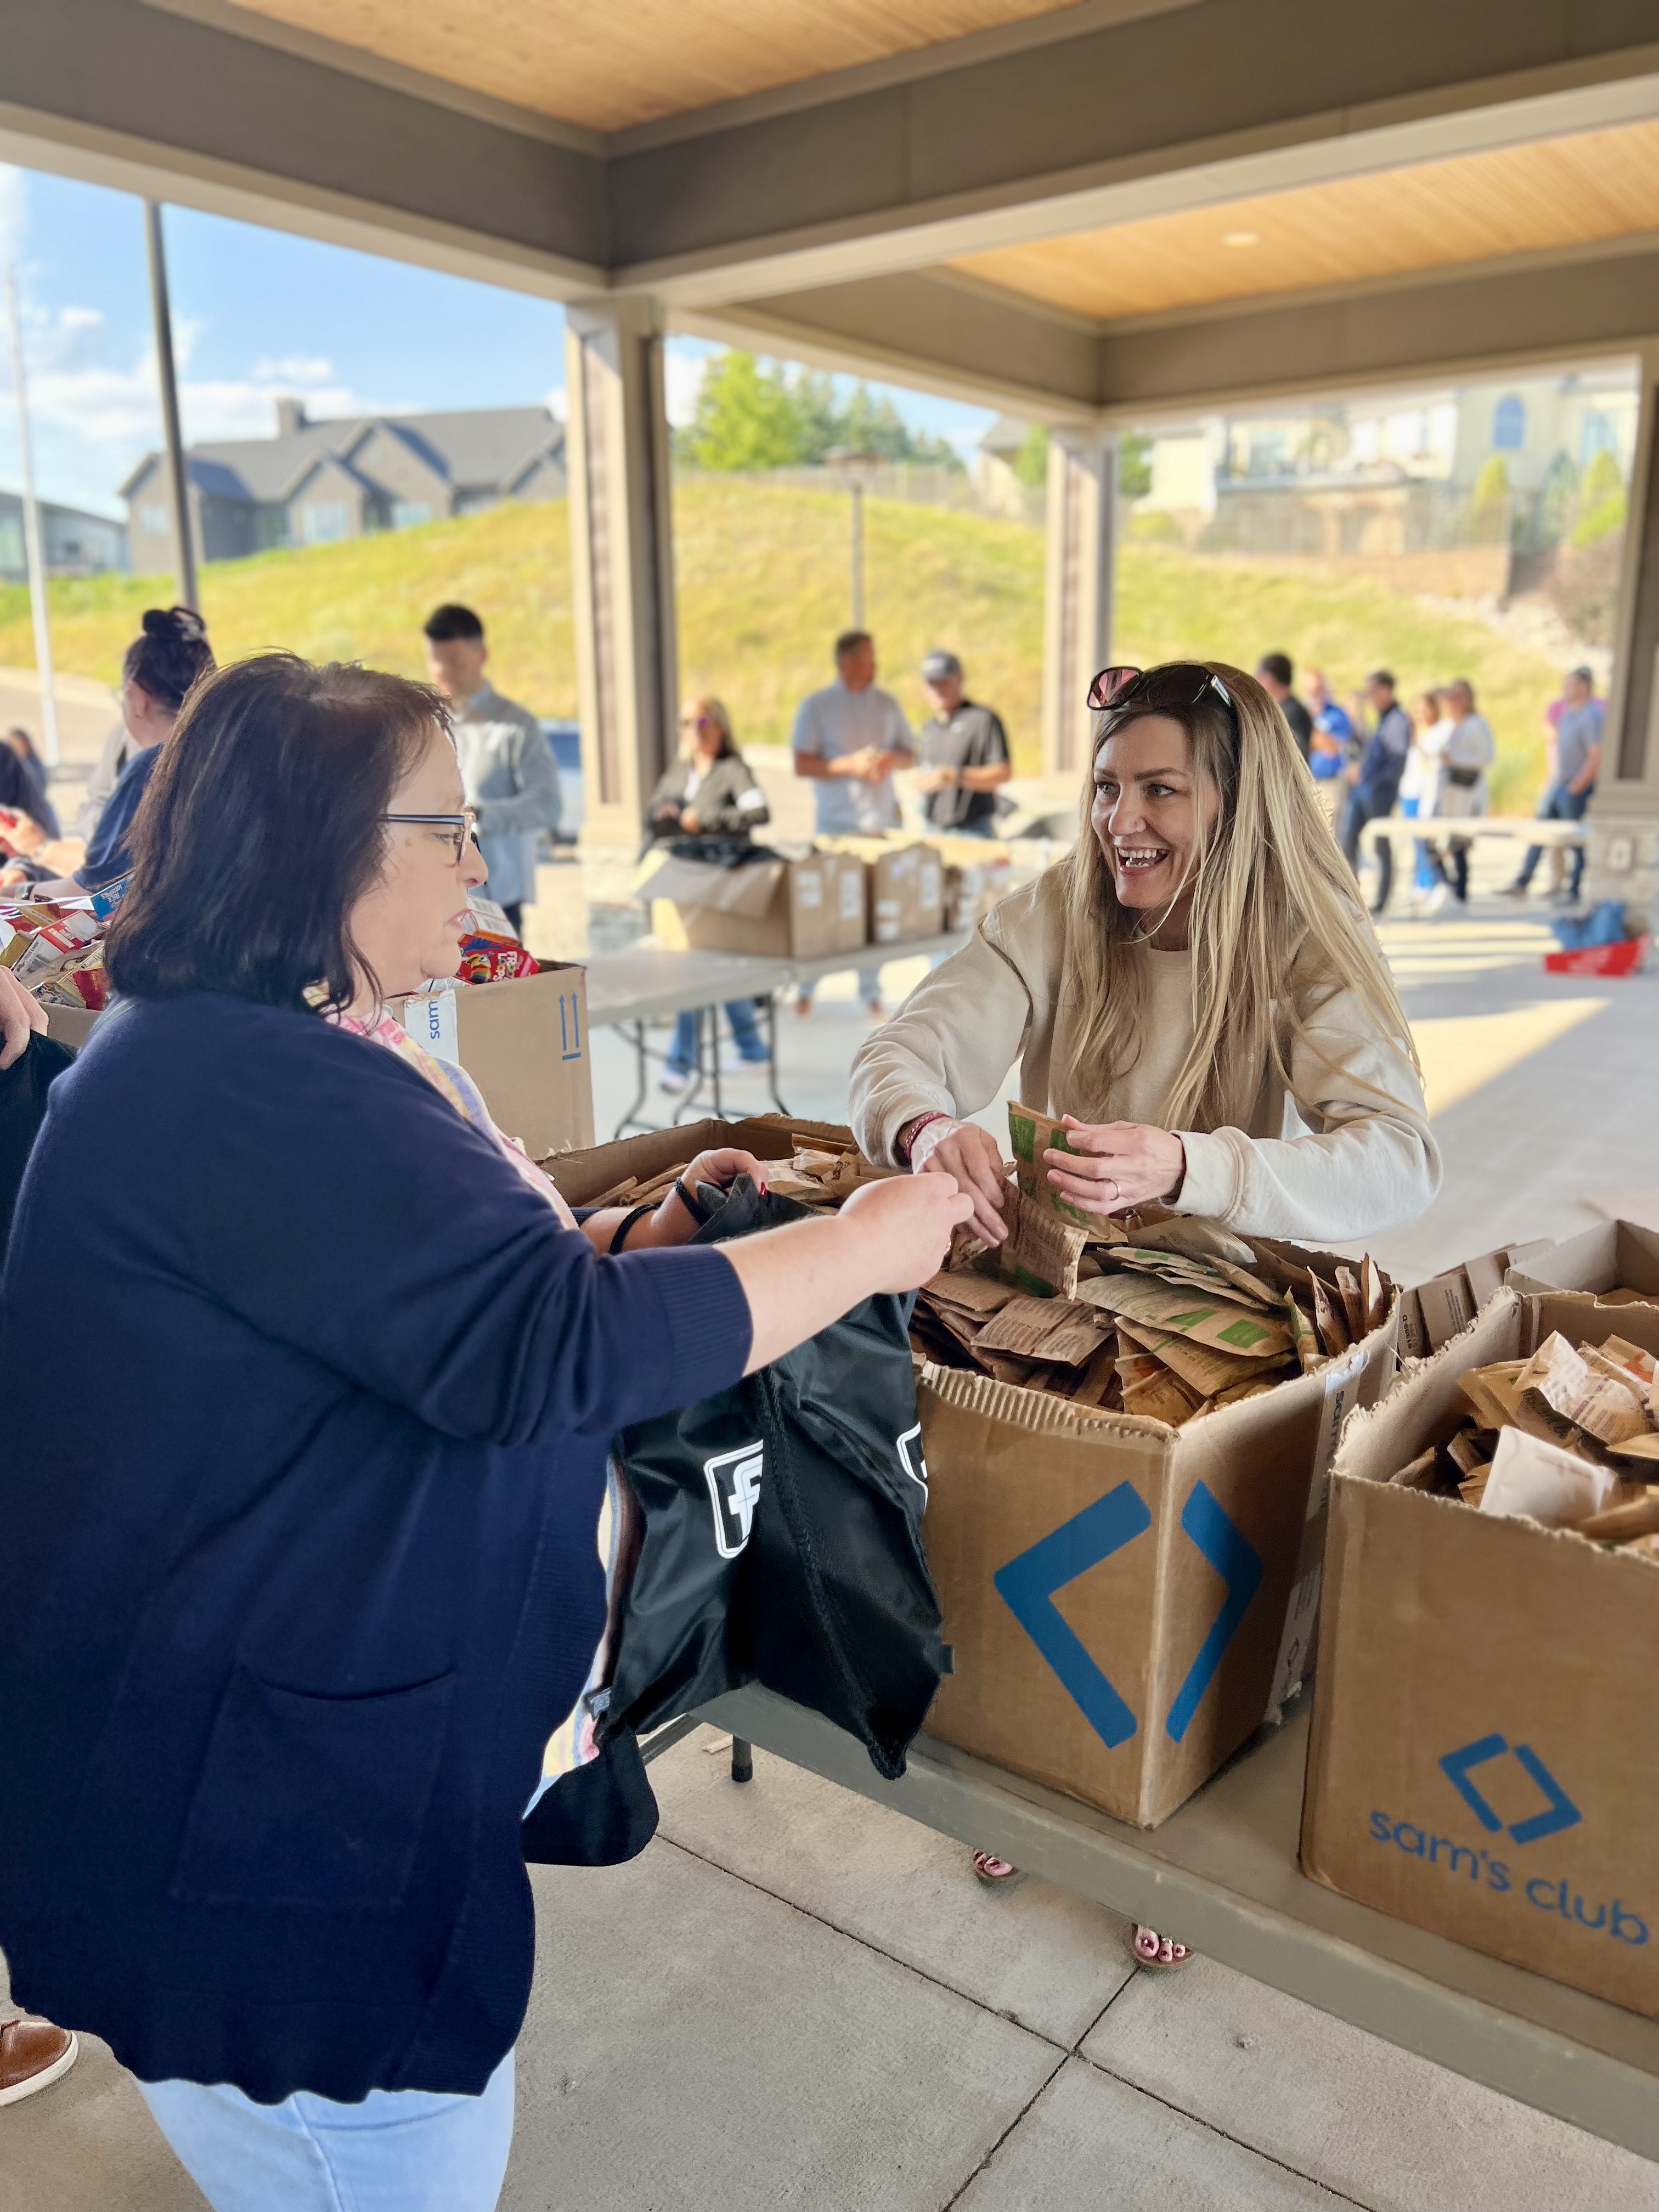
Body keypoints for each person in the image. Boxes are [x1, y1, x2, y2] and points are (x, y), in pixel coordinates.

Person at [0, 651, 972, 2212]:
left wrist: (650, 1231)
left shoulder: (255, 1047)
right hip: (267, 1855)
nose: (478, 867)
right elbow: (552, 1346)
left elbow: (447, 1301)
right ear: (325, 845)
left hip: (287, 1781)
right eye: (446, 830)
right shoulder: (255, 1088)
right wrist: (866, 1243)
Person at [849, 659, 1438, 1960]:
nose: (1124, 820)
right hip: (1048, 1304)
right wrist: (930, 1126)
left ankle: (1157, 1842)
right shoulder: (1055, 911)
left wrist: (1190, 1165)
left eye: (1162, 789)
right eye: (1109, 788)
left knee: (1180, 1609)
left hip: (1210, 1327)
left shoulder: (1297, 940)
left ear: (1237, 802)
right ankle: (1032, 1770)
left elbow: (1399, 1159)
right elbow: (902, 1051)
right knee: (1022, 1558)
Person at [32, 609, 212, 898]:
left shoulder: (153, 767)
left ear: (138, 699)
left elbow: (96, 890)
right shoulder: (230, 755)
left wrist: (19, 891)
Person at [644, 695, 773, 1093]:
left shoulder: (733, 770)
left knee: (697, 969)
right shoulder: (679, 772)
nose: (693, 731)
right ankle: (752, 1049)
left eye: (701, 722)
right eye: (686, 723)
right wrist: (665, 814)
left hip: (723, 882)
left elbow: (760, 813)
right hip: (687, 882)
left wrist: (706, 820)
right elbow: (653, 815)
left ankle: (681, 1063)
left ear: (720, 725)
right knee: (712, 969)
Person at [792, 629, 915, 1019]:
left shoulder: (887, 703)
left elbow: (911, 754)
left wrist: (888, 760)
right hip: (835, 826)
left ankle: (870, 992)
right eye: (868, 658)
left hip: (879, 825)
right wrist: (850, 765)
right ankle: (806, 987)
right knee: (823, 909)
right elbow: (801, 764)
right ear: (847, 663)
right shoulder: (817, 706)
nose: (876, 665)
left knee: (875, 911)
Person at [424, 603, 561, 940]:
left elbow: (547, 805)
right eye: (435, 660)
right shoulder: (425, 727)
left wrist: (478, 816)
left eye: (455, 661)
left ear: (481, 655)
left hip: (496, 901)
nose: (443, 672)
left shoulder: (516, 727)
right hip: (434, 899)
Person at [1504, 665, 1602, 904]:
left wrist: (1579, 784)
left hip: (1575, 786)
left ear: (1584, 686)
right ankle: (1523, 881)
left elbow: (1596, 754)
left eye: (1571, 685)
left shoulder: (1592, 716)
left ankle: (1575, 889)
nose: (1566, 689)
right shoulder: (1568, 712)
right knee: (1541, 832)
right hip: (1558, 782)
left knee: (1575, 839)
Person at [912, 651, 1012, 837]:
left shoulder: (982, 719)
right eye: (933, 684)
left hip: (972, 829)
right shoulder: (928, 728)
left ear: (959, 679)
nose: (939, 690)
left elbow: (1002, 773)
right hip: (932, 827)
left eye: (944, 682)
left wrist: (955, 777)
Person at [1340, 669, 1413, 910]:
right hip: (1364, 788)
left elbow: (1397, 761)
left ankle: (1383, 900)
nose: (1369, 696)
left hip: (1379, 791)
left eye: (1373, 691)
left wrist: (1374, 782)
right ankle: (1351, 897)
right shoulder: (1380, 719)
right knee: (1347, 838)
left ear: (1386, 690)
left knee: (1381, 843)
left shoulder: (1398, 720)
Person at [1430, 678, 1496, 907]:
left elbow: (1486, 757)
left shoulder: (1477, 724)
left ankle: (1460, 892)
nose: (1455, 701)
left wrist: (1455, 758)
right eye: (1452, 696)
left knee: (1460, 842)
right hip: (1447, 790)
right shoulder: (1447, 726)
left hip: (1467, 789)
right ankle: (1446, 885)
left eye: (1460, 696)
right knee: (1435, 840)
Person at [1302, 669, 1352, 828]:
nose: (1314, 694)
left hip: (1329, 783)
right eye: (1310, 690)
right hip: (1304, 782)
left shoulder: (1337, 714)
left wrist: (1310, 726)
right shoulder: (1299, 712)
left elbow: (1332, 747)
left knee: (1328, 830)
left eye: (1318, 689)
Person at [1255, 652, 1313, 765]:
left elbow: (1297, 753)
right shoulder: (1291, 709)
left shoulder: (1289, 713)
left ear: (1269, 679)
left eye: (1259, 676)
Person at [3, 727, 60, 839]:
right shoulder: (12, 764)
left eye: (18, 744)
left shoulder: (31, 765)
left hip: (35, 811)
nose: (16, 748)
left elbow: (38, 788)